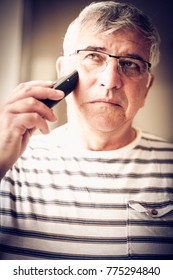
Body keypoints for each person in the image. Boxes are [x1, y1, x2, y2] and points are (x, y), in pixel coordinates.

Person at [0, 1, 173, 260]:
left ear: (147, 87)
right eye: (93, 56)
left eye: (130, 64)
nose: (111, 81)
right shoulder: (9, 164)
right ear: (62, 72)